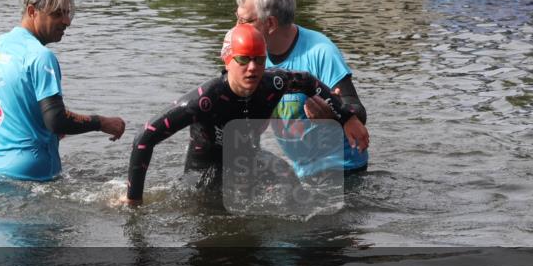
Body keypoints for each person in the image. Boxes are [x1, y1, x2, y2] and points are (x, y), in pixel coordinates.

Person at [123, 24, 369, 205]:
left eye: (259, 60)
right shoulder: (203, 100)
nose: (252, 68)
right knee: (207, 214)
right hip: (205, 172)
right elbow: (144, 138)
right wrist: (134, 200)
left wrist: (347, 117)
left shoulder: (274, 83)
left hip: (247, 159)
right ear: (227, 60)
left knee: (292, 186)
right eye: (243, 60)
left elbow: (308, 82)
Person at [0, 0, 126, 181]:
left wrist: (35, 123)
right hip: (33, 171)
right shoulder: (41, 56)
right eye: (57, 14)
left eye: (67, 14)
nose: (67, 21)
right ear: (32, 11)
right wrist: (101, 122)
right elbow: (56, 121)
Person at [234, 0, 369, 178]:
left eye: (244, 21)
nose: (237, 27)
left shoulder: (321, 52)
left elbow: (358, 112)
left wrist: (335, 114)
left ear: (270, 23)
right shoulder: (252, 58)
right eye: (237, 18)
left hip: (343, 169)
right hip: (302, 170)